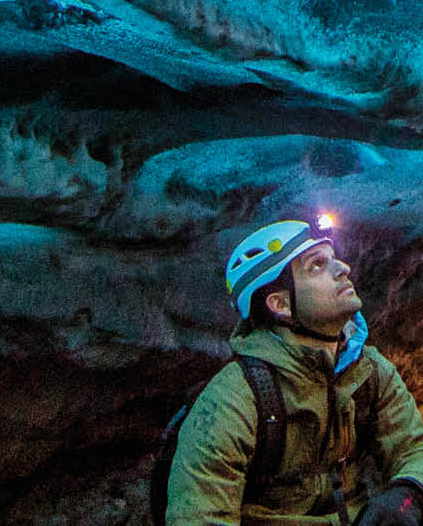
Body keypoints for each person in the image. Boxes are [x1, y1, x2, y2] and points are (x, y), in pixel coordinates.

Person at [166, 217, 423, 525]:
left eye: (334, 258)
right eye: (317, 265)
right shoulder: (233, 398)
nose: (343, 268)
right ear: (280, 304)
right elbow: (198, 516)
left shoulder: (368, 370)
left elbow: (414, 448)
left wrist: (408, 493)